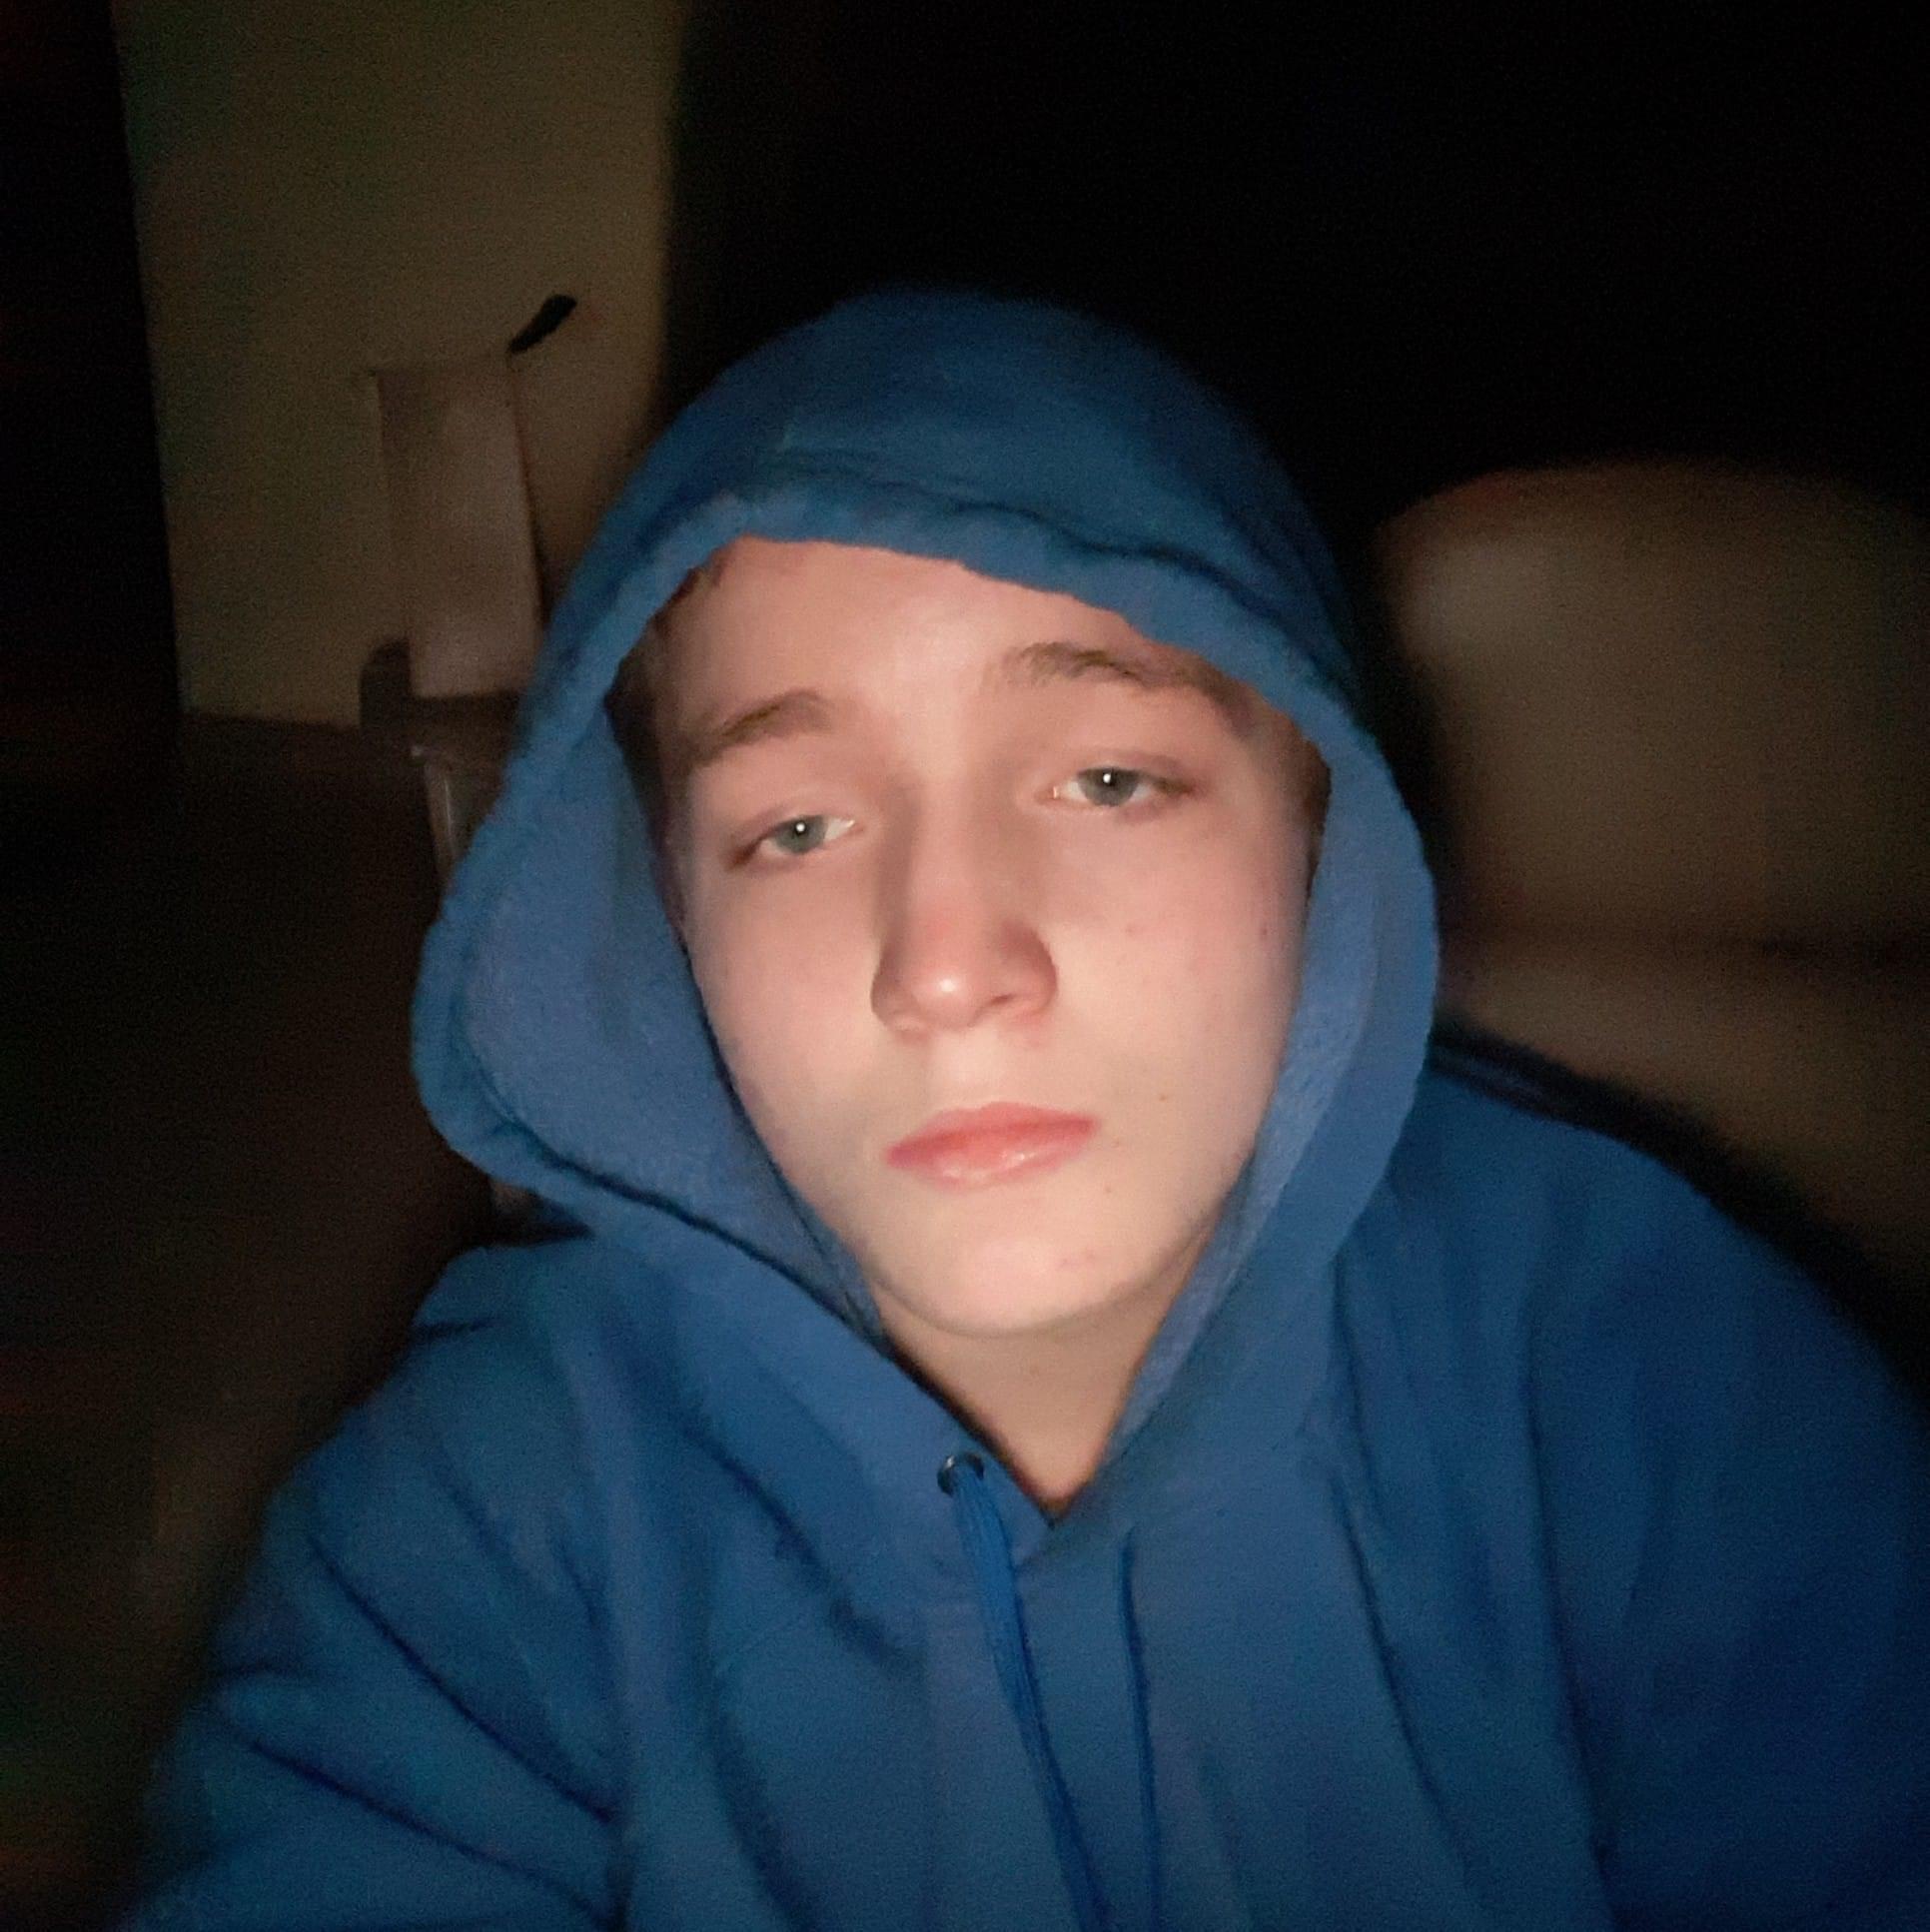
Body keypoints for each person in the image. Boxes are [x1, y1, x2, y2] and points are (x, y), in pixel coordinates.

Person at [120, 290, 1930, 1930]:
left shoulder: (1659, 1397)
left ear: (1320, 822)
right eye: (796, 826)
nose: (946, 963)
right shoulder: (477, 1532)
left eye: (1110, 778)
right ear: (666, 915)